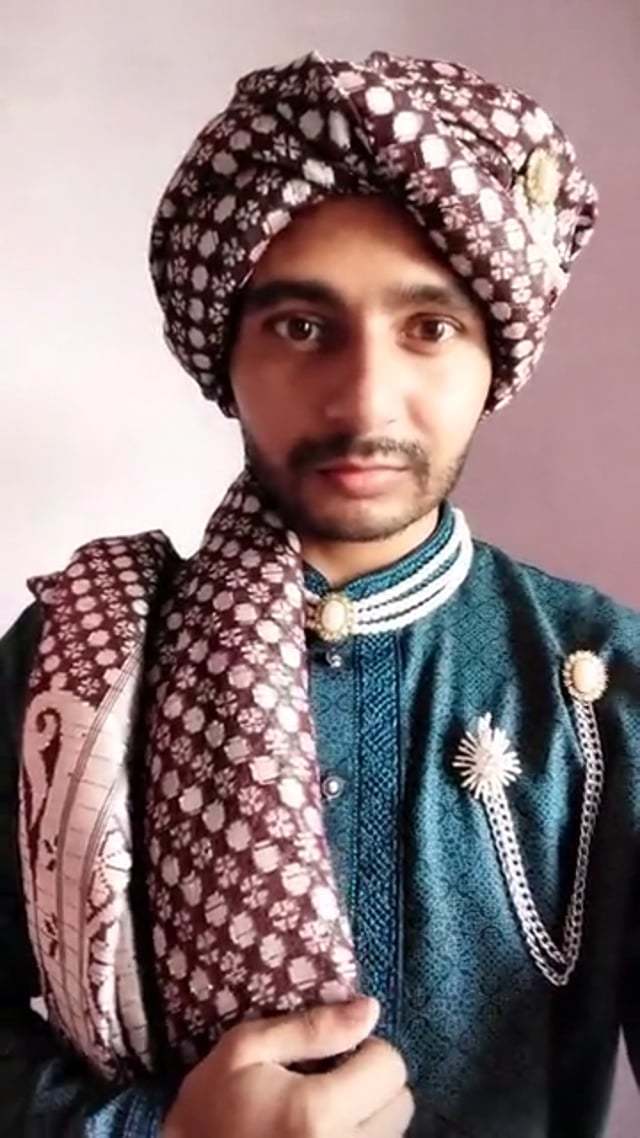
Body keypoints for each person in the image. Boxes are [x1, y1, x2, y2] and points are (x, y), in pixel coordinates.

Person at [1, 48, 638, 1138]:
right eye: (302, 327)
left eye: (429, 329)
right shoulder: (78, 656)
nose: (364, 399)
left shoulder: (602, 679)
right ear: (225, 354)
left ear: (496, 357)